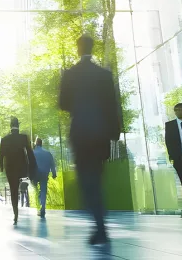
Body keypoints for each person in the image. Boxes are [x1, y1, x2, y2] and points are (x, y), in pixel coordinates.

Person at [58, 34, 121, 245]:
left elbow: (63, 104)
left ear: (78, 49)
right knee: (97, 177)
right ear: (92, 49)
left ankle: (99, 223)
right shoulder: (103, 74)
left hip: (81, 133)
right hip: (101, 133)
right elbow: (113, 105)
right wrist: (114, 132)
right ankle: (100, 224)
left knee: (86, 180)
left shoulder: (70, 74)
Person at [0, 116, 36, 225]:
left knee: (13, 189)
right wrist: (32, 166)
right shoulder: (23, 138)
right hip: (22, 168)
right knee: (20, 185)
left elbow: (2, 155)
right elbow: (29, 153)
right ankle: (22, 196)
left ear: (10, 126)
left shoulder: (5, 139)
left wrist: (1, 167)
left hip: (10, 168)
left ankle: (15, 213)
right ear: (18, 126)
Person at [33, 138, 57, 218]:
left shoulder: (32, 153)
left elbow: (29, 164)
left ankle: (38, 209)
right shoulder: (48, 153)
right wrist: (54, 173)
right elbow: (52, 164)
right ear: (41, 143)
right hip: (44, 174)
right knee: (43, 191)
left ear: (35, 144)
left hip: (35, 174)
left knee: (36, 190)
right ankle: (43, 208)